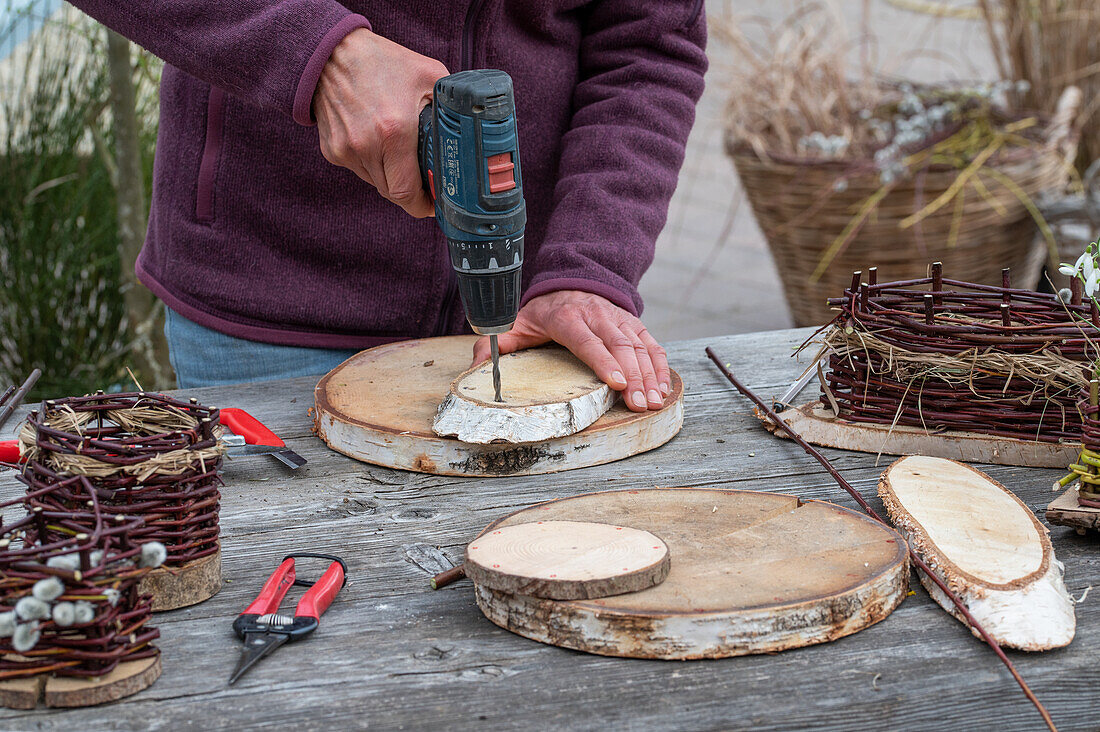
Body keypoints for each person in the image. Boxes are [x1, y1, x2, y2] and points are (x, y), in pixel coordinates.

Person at [72, 1, 707, 412]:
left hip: (533, 324)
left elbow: (648, 46)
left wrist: (587, 265)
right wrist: (317, 52)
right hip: (269, 297)